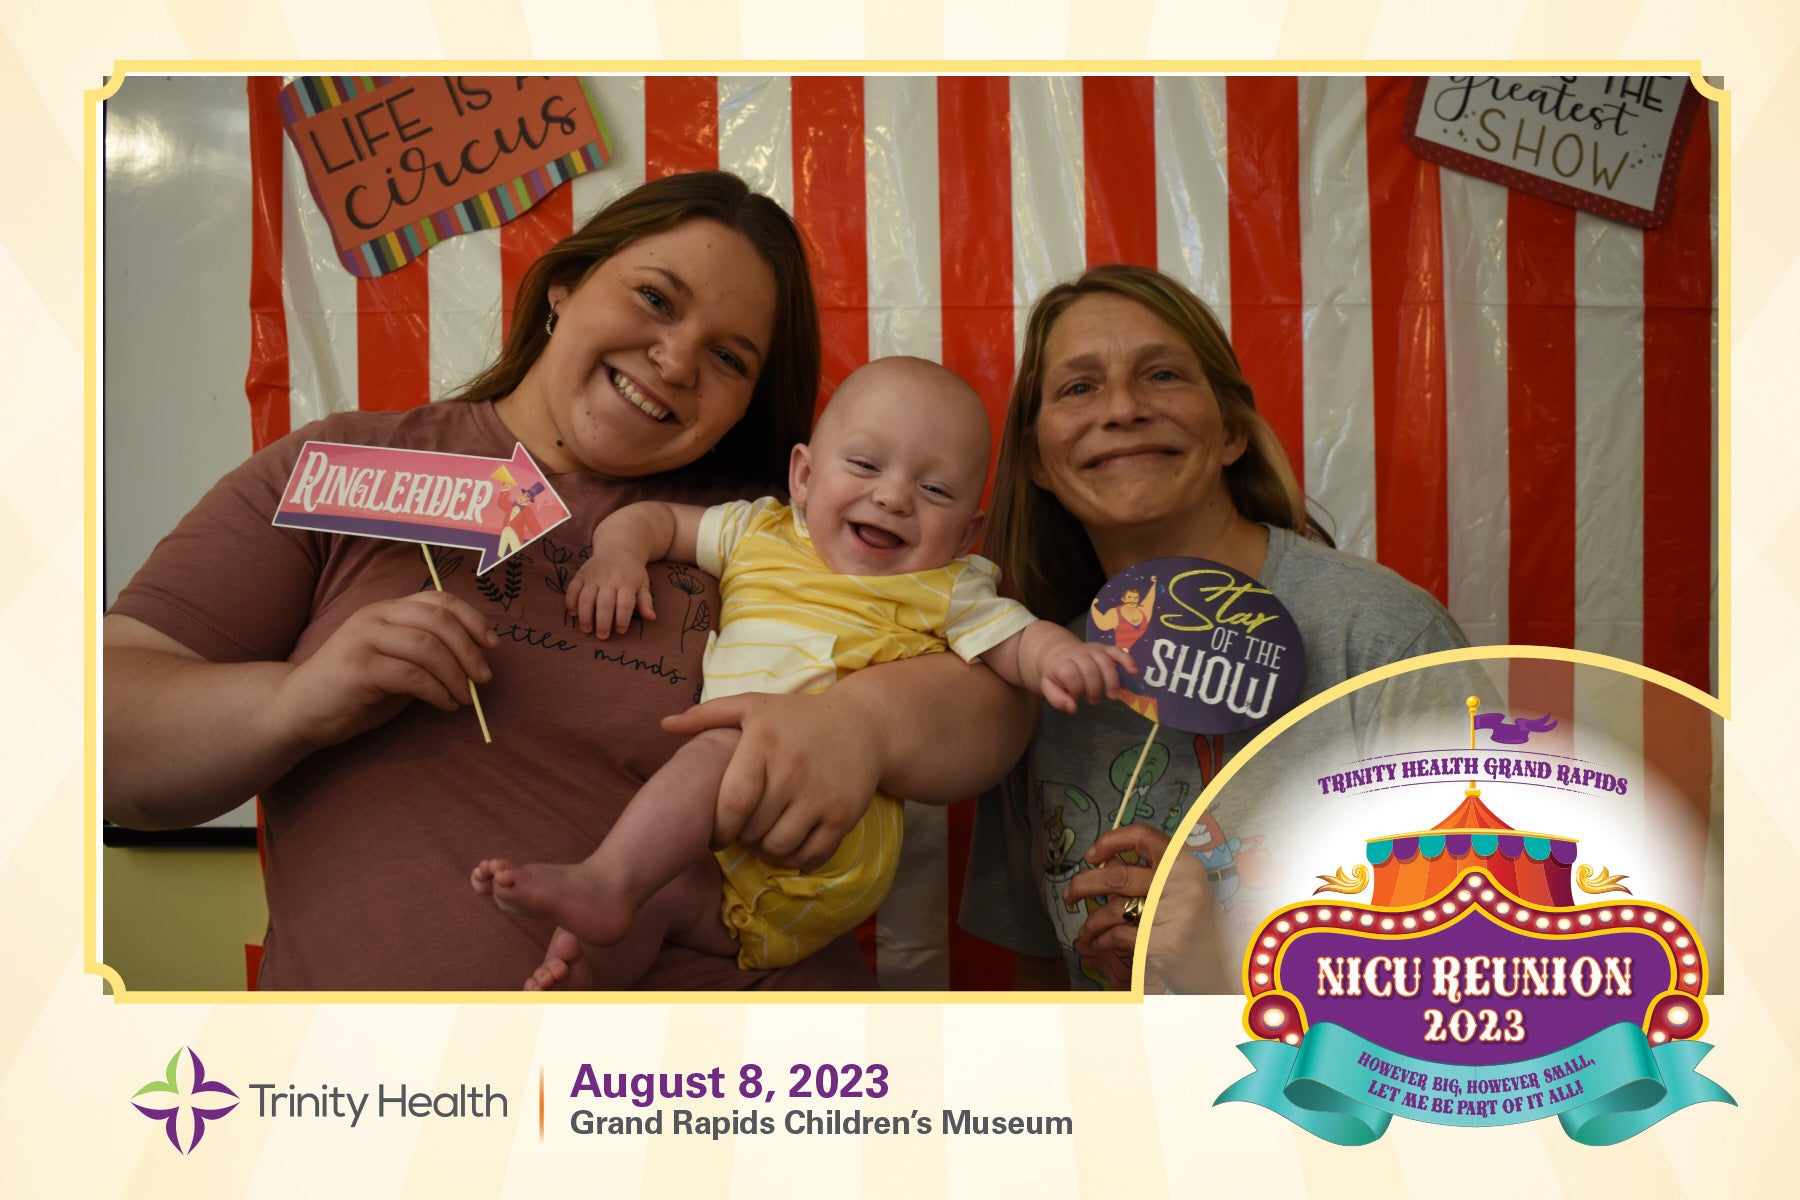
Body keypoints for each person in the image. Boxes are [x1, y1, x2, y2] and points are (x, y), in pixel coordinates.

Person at [103, 171, 1033, 991]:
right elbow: (97, 737)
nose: (675, 360)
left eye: (729, 357)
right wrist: (295, 702)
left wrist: (862, 727)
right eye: (656, 300)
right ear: (562, 287)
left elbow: (1000, 698)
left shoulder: (793, 525)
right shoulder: (347, 466)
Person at [471, 357, 1135, 988]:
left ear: (967, 533)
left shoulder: (947, 587)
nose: (895, 496)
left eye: (935, 490)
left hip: (828, 835)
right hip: (729, 859)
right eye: (866, 464)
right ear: (805, 477)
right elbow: (654, 522)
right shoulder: (759, 530)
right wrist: (617, 554)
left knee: (729, 744)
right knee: (665, 899)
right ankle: (589, 966)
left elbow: (1013, 643)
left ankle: (607, 879)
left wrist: (1058, 656)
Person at [957, 264, 1478, 993]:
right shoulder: (1038, 678)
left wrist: (1227, 970)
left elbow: (1498, 982)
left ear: (1231, 431)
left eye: (1163, 375)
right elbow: (1043, 977)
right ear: (1039, 460)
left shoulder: (1381, 638)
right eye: (1079, 387)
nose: (1123, 409)